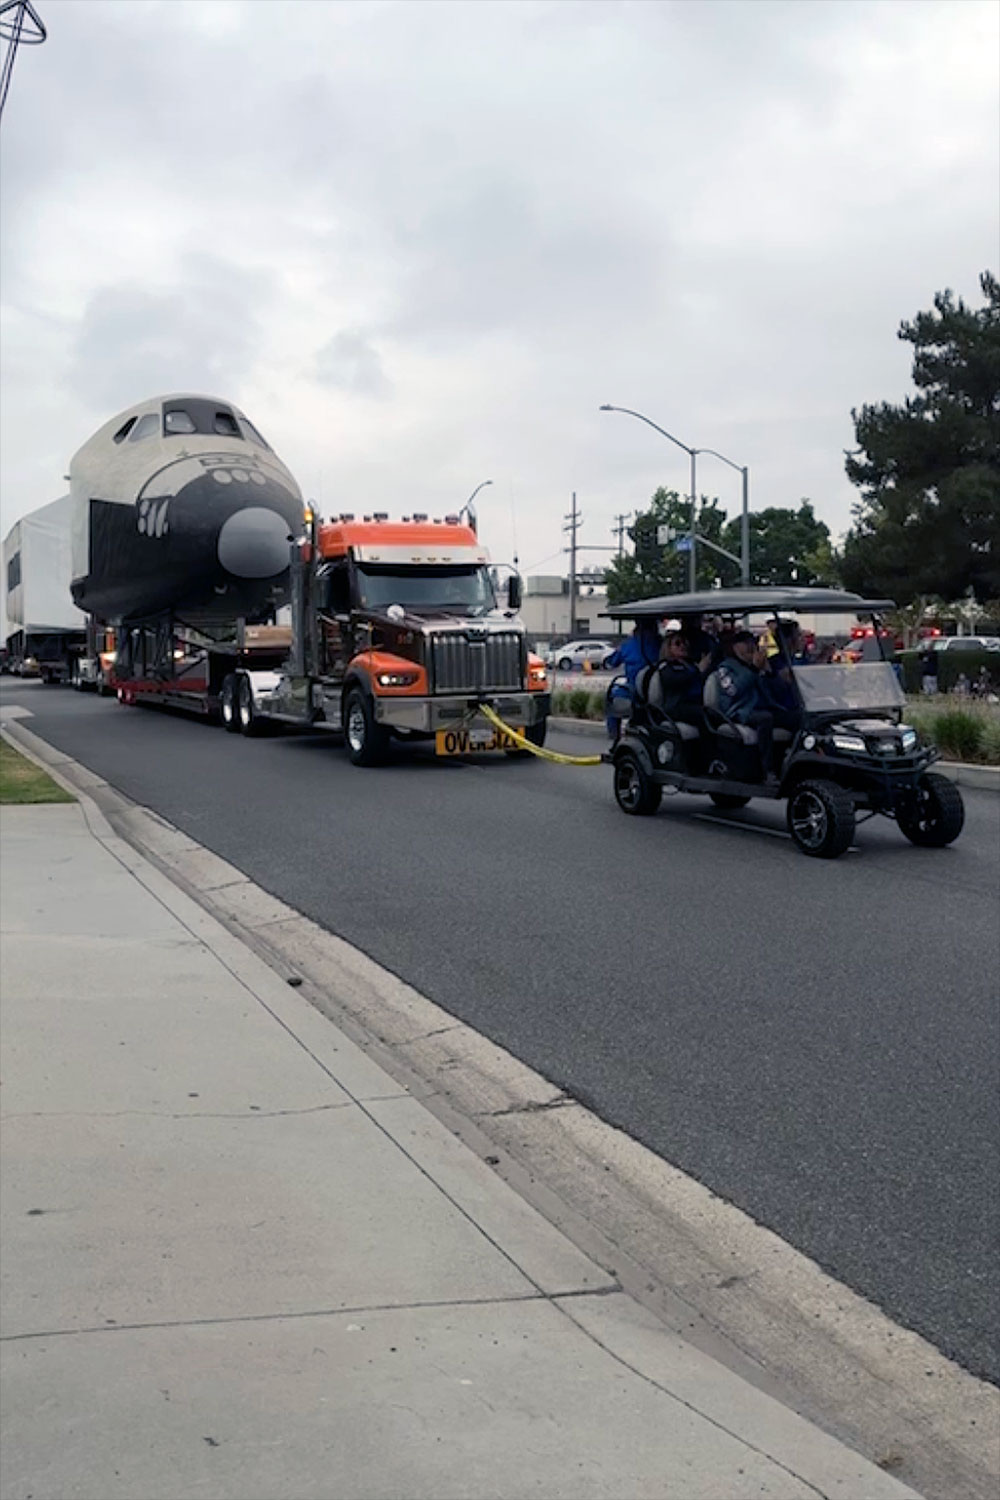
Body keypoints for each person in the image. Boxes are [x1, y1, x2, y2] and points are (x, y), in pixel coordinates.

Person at [710, 629, 801, 778]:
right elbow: (734, 690)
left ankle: (793, 760)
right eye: (745, 643)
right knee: (765, 719)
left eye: (752, 643)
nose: (750, 647)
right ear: (735, 647)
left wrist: (769, 672)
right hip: (741, 711)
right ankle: (767, 770)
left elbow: (776, 692)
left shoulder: (759, 664)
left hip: (766, 708)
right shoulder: (726, 667)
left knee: (797, 717)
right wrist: (753, 670)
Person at [604, 619, 661, 741]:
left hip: (634, 691)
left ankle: (614, 737)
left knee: (611, 698)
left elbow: (611, 662)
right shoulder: (661, 644)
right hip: (658, 689)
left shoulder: (629, 645)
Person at [655, 631, 711, 728]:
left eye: (685, 643)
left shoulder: (690, 664)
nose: (682, 646)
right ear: (668, 647)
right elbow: (674, 681)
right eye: (678, 643)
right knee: (707, 716)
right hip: (676, 706)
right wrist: (698, 670)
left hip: (695, 703)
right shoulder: (666, 666)